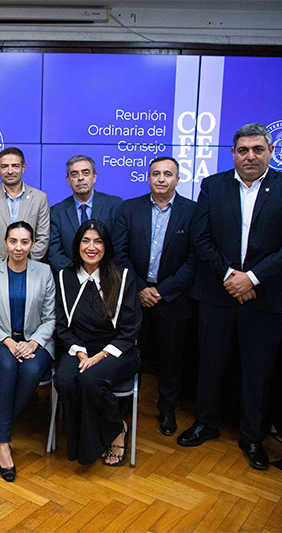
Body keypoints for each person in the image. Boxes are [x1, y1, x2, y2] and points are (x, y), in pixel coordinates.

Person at [177, 123, 282, 470]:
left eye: (257, 149)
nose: (250, 156)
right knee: (210, 363)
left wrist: (251, 278)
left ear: (270, 152)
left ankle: (252, 436)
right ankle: (206, 423)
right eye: (243, 150)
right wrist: (229, 277)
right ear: (233, 153)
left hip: (265, 297)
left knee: (257, 369)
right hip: (217, 292)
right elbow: (200, 238)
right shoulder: (213, 185)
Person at [113, 156, 196, 436]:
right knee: (129, 351)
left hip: (173, 298)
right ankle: (123, 404)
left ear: (177, 179)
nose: (161, 179)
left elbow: (194, 260)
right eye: (156, 174)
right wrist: (140, 289)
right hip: (135, 295)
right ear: (148, 178)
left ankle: (168, 408)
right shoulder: (129, 208)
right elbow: (119, 254)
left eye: (167, 174)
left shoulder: (193, 211)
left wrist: (162, 291)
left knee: (172, 358)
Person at [54, 220, 141, 467]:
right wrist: (82, 355)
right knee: (65, 380)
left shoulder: (122, 277)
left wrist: (100, 357)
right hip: (79, 348)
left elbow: (129, 331)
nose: (91, 247)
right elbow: (63, 327)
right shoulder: (64, 277)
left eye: (98, 241)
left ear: (106, 246)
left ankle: (116, 428)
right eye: (85, 241)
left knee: (90, 380)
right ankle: (82, 443)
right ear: (77, 245)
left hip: (118, 350)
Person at [0, 221, 56, 481]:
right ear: (5, 243)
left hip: (36, 341)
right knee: (8, 366)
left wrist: (33, 342)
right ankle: (4, 446)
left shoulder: (44, 272)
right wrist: (9, 342)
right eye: (13, 241)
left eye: (24, 242)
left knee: (32, 370)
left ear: (33, 244)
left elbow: (50, 318)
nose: (18, 247)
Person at [0, 147, 50, 266]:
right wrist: (1, 266)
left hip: (31, 270)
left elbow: (43, 237)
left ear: (23, 167)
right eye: (5, 166)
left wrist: (26, 263)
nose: (10, 171)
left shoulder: (39, 198)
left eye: (15, 166)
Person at [48, 155, 123, 273]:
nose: (80, 178)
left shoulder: (115, 205)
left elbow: (120, 248)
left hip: (108, 278)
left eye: (86, 173)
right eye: (74, 174)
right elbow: (55, 253)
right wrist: (78, 274)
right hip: (71, 279)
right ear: (68, 180)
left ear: (94, 177)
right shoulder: (57, 212)